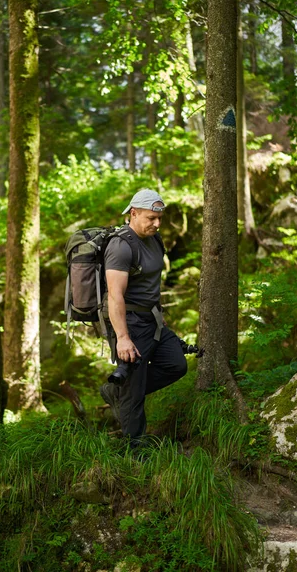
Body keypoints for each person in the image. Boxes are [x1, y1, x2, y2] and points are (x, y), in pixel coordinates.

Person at [100, 189, 187, 449]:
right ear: (133, 213)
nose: (157, 223)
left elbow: (151, 283)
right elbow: (115, 296)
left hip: (152, 320)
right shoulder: (121, 245)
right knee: (134, 392)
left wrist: (159, 313)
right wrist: (123, 338)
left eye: (159, 218)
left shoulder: (155, 239)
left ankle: (117, 392)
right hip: (129, 324)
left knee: (176, 365)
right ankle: (135, 452)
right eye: (151, 218)